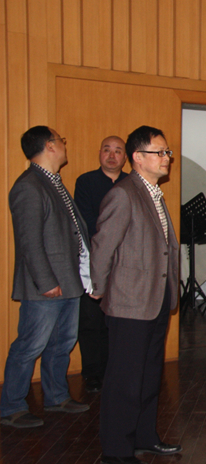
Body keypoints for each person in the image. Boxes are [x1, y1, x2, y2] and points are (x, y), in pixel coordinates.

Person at [90, 125, 181, 464]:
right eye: (160, 152)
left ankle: (144, 436)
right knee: (124, 379)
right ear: (138, 158)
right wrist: (99, 288)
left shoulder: (153, 193)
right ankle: (115, 449)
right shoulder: (123, 194)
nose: (166, 158)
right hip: (130, 302)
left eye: (167, 151)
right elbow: (103, 246)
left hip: (155, 299)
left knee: (149, 375)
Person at [1, 126, 91, 429]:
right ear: (50, 146)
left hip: (69, 280)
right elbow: (29, 241)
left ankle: (57, 396)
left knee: (62, 343)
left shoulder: (54, 182)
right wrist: (46, 282)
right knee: (29, 345)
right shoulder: (29, 186)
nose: (65, 145)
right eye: (61, 141)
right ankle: (11, 406)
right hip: (46, 285)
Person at [74, 135, 127, 392]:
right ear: (100, 153)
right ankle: (93, 373)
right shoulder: (86, 182)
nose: (112, 155)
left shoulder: (132, 182)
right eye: (107, 150)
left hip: (125, 262)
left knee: (119, 321)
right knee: (91, 320)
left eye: (118, 151)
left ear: (125, 157)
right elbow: (86, 220)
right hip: (94, 259)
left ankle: (115, 371)